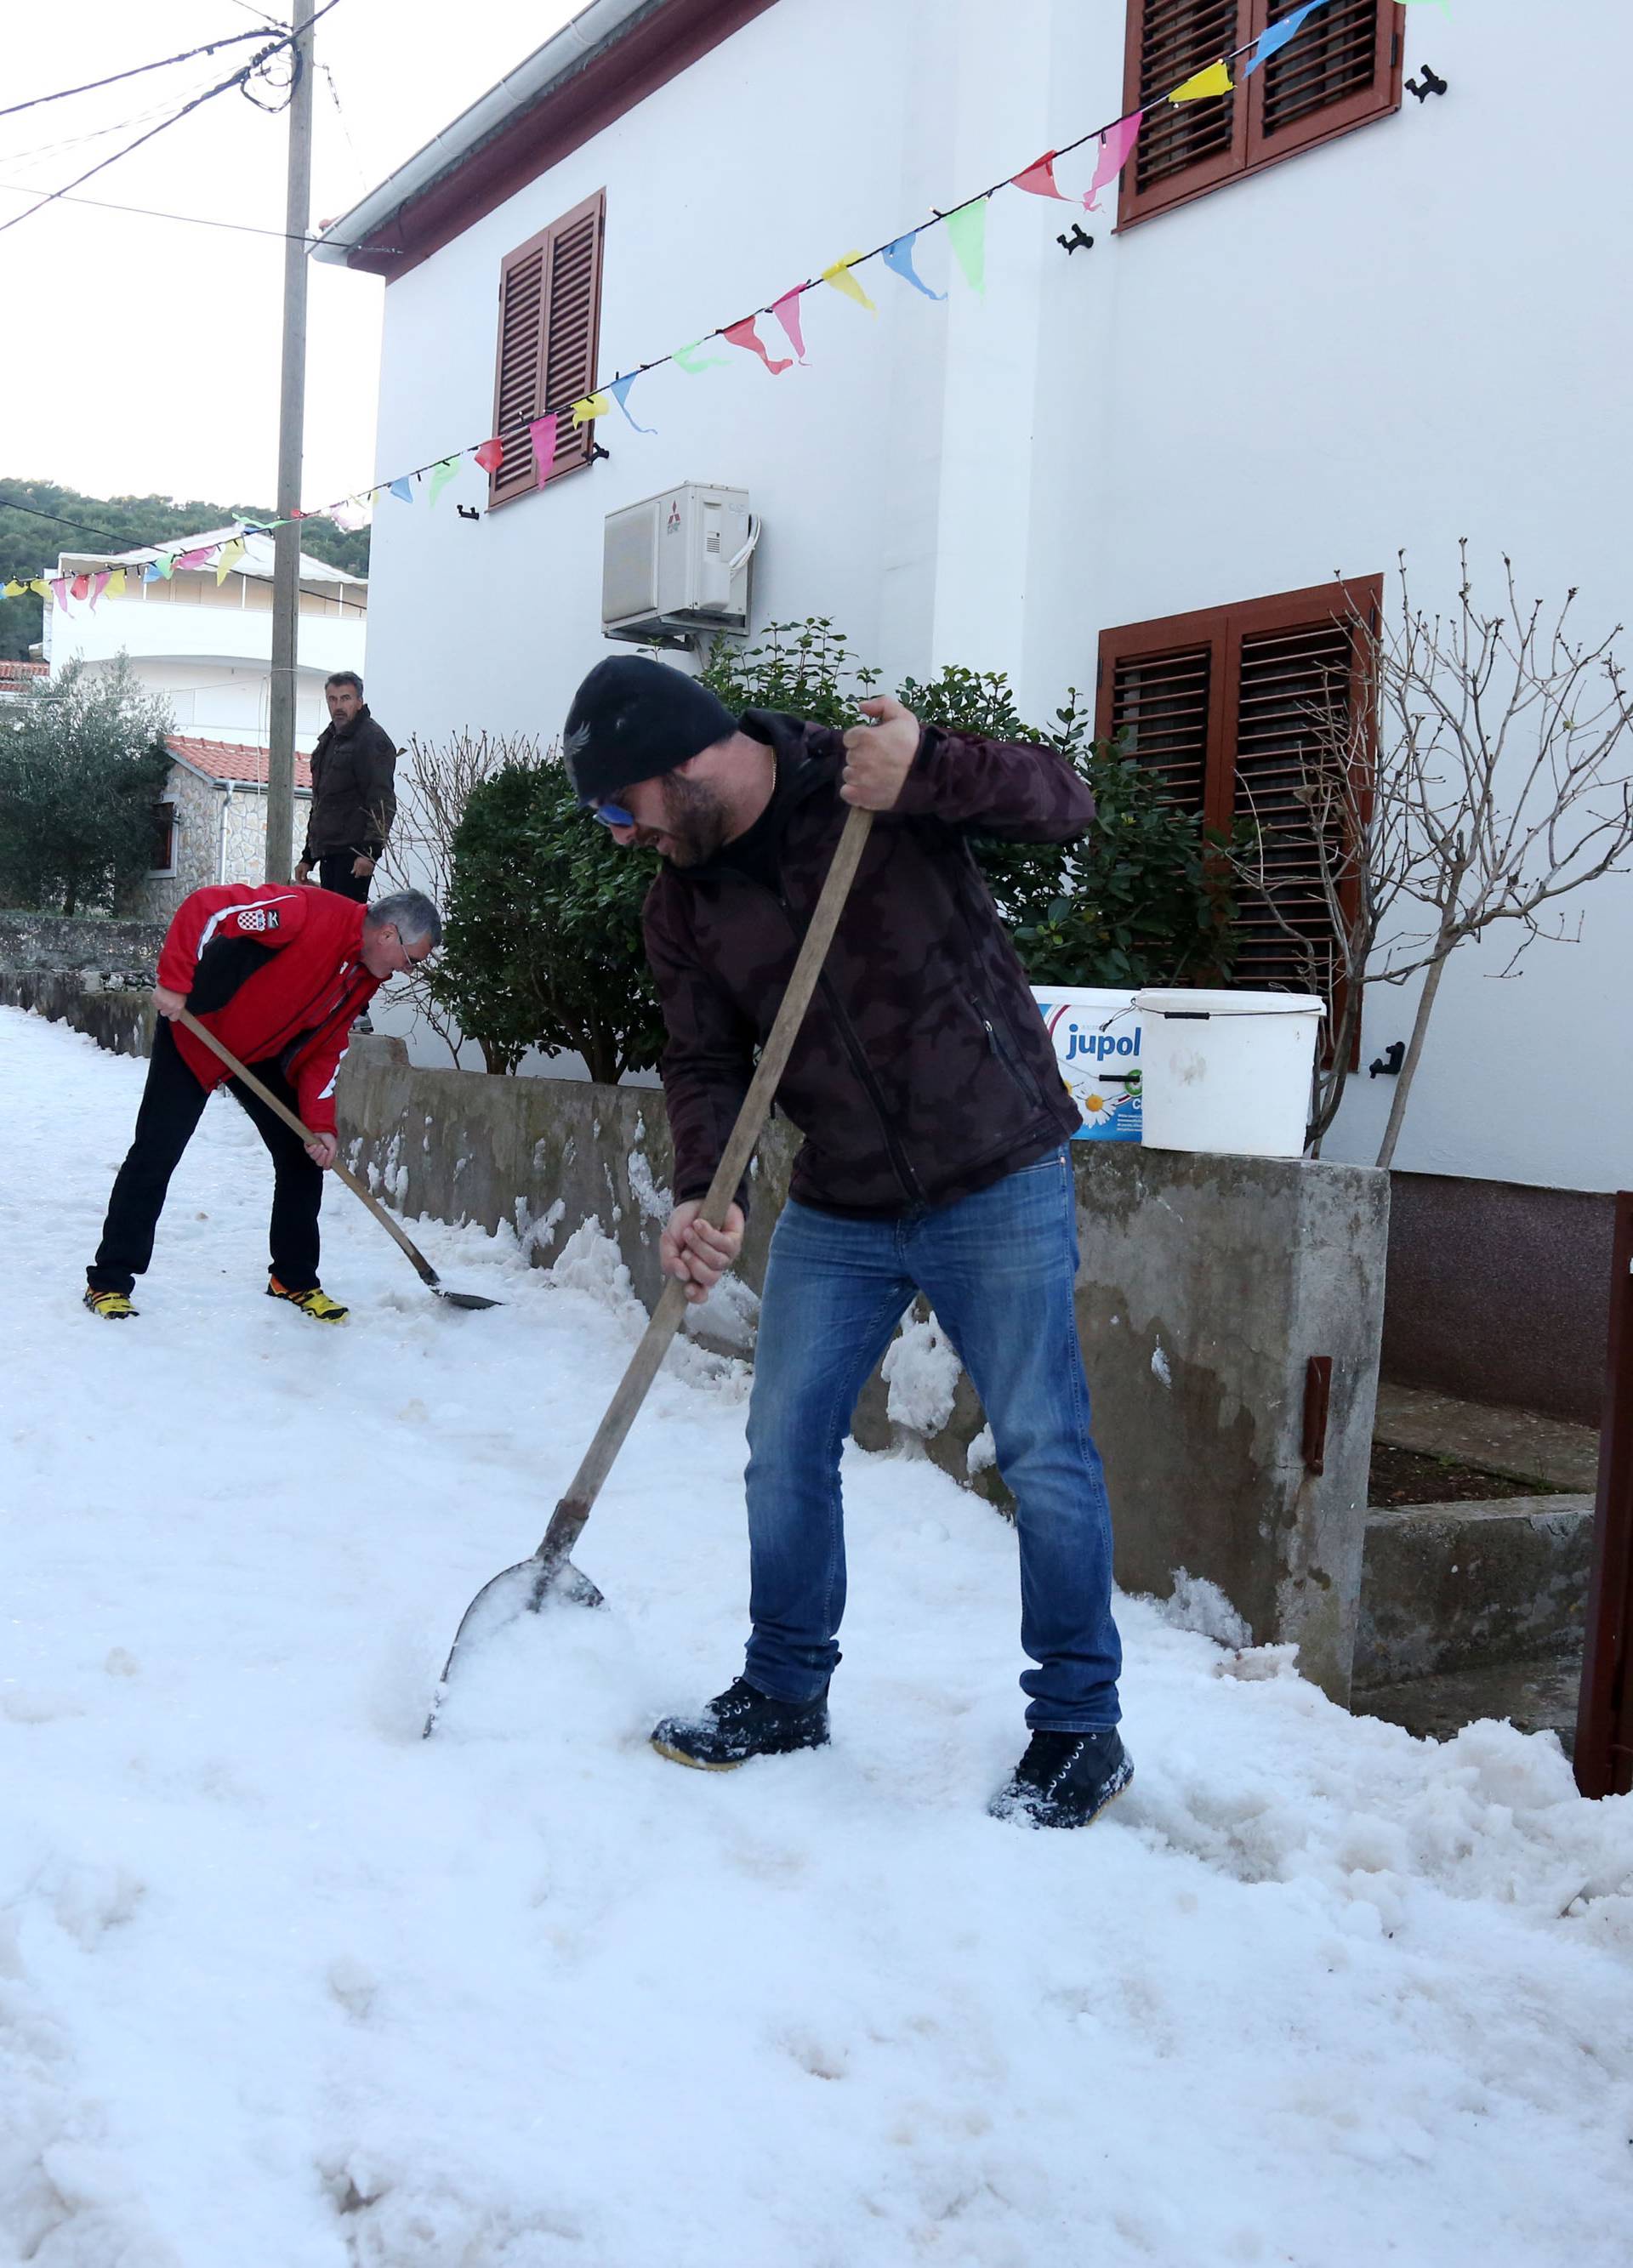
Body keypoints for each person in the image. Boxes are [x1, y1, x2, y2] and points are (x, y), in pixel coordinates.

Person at [562, 656, 1129, 1829]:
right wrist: (702, 1190)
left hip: (997, 1168)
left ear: (687, 764)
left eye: (624, 806)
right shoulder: (683, 898)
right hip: (845, 1197)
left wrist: (934, 769)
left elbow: (1067, 800)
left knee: (1043, 1450)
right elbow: (707, 1057)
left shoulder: (865, 778)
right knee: (781, 1438)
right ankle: (784, 1686)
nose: (621, 836)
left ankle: (1080, 1726)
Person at [83, 884, 442, 1324]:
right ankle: (109, 1281)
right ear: (389, 934)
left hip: (259, 1055)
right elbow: (208, 909)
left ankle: (292, 1278)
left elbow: (327, 1047)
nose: (409, 970)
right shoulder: (304, 912)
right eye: (413, 960)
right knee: (157, 1152)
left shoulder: (364, 976)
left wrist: (320, 1124)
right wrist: (175, 982)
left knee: (302, 1155)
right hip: (196, 1033)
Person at [296, 671, 398, 905]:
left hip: (354, 856)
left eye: (345, 698)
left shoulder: (372, 740)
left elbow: (381, 801)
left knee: (346, 928)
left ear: (359, 701)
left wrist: (369, 853)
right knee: (330, 926)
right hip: (328, 852)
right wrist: (308, 857)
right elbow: (323, 803)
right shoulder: (330, 741)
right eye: (333, 699)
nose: (338, 706)